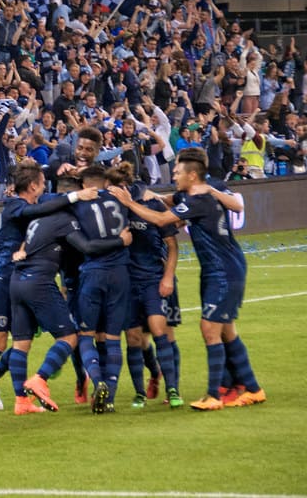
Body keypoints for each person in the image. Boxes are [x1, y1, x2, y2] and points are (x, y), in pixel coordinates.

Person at [108, 154, 266, 411]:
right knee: (226, 330)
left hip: (224, 270)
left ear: (192, 175)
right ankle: (252, 387)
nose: (174, 176)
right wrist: (150, 197)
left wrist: (128, 202)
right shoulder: (190, 196)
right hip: (216, 269)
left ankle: (214, 395)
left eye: (178, 172)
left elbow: (160, 220)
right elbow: (166, 202)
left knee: (209, 328)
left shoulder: (200, 199)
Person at [0, 160, 98, 414]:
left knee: (23, 340)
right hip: (0, 278)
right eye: (42, 185)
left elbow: (52, 200)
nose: (44, 190)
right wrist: (77, 195)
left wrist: (75, 179)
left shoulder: (26, 203)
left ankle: (10, 393)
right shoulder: (15, 206)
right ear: (32, 186)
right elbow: (41, 209)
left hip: (13, 278)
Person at [6, 164, 132, 415]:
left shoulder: (36, 216)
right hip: (42, 282)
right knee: (71, 337)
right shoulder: (65, 219)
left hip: (17, 280)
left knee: (21, 343)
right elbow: (86, 247)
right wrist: (121, 241)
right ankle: (41, 378)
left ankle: (21, 402)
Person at [105, 163, 183, 409]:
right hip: (127, 283)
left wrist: (168, 277)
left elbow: (172, 244)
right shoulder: (111, 211)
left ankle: (173, 388)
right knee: (134, 337)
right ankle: (139, 392)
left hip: (154, 280)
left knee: (162, 331)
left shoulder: (150, 205)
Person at [72, 164, 132, 413]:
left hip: (93, 273)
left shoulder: (78, 204)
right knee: (113, 339)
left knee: (86, 336)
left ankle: (97, 382)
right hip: (120, 274)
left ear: (85, 185)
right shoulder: (121, 199)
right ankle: (109, 399)